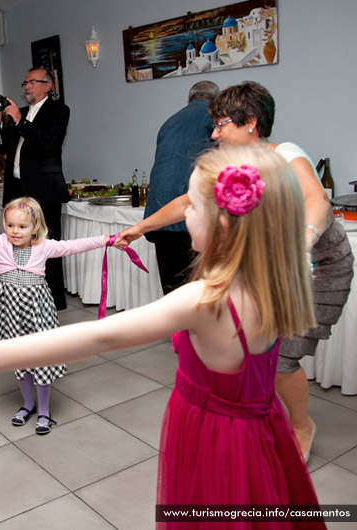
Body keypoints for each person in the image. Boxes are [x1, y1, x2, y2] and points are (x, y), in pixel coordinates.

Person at [0, 146, 324, 523]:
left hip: (215, 436)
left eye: (190, 206)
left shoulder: (203, 300)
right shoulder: (281, 279)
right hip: (262, 431)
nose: (184, 216)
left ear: (222, 223)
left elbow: (98, 338)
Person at [116, 81, 354, 461]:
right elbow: (185, 201)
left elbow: (317, 201)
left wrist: (300, 245)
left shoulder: (285, 155)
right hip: (273, 263)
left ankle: (300, 426)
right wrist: (141, 227)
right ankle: (267, 419)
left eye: (221, 124)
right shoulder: (230, 166)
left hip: (320, 264)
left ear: (250, 123)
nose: (214, 133)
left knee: (282, 354)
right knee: (257, 350)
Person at [0, 197, 110, 434]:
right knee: (18, 358)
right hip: (9, 313)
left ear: (35, 228)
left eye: (22, 227)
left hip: (38, 313)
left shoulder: (44, 246)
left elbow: (75, 245)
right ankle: (28, 404)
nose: (15, 231)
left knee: (41, 357)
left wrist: (106, 240)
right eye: (10, 225)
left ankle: (44, 410)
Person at [0, 67, 71, 309]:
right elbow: (1, 147)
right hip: (17, 188)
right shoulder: (22, 113)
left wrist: (18, 120)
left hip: (44, 189)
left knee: (48, 244)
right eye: (25, 82)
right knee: (18, 244)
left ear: (48, 85)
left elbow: (49, 143)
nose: (26, 86)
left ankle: (55, 300)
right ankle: (24, 294)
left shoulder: (59, 110)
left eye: (32, 82)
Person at [143, 80, 219, 294]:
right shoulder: (215, 119)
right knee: (199, 289)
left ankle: (176, 327)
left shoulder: (169, 122)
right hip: (192, 213)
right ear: (216, 101)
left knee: (172, 287)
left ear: (188, 100)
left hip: (160, 213)